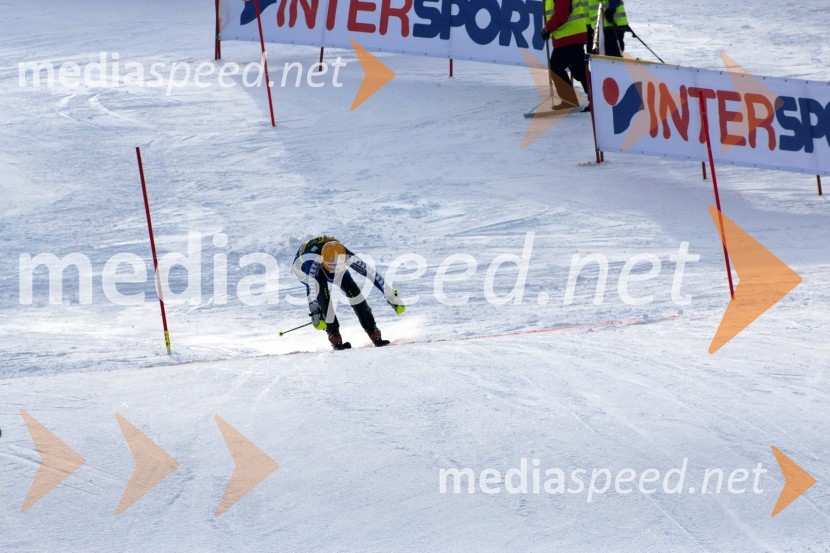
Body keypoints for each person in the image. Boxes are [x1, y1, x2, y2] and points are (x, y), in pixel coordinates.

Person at [292, 236, 405, 350]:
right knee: (321, 294)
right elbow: (311, 287)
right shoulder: (312, 262)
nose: (334, 273)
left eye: (337, 268)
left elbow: (371, 274)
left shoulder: (345, 255)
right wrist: (315, 311)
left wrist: (390, 295)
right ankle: (334, 335)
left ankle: (373, 330)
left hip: (329, 260)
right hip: (303, 268)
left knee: (353, 291)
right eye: (332, 269)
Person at [541, 0, 590, 109]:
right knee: (557, 67)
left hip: (571, 36)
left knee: (579, 70)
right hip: (565, 37)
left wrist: (547, 29)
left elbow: (561, 15)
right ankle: (570, 100)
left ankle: (596, 100)